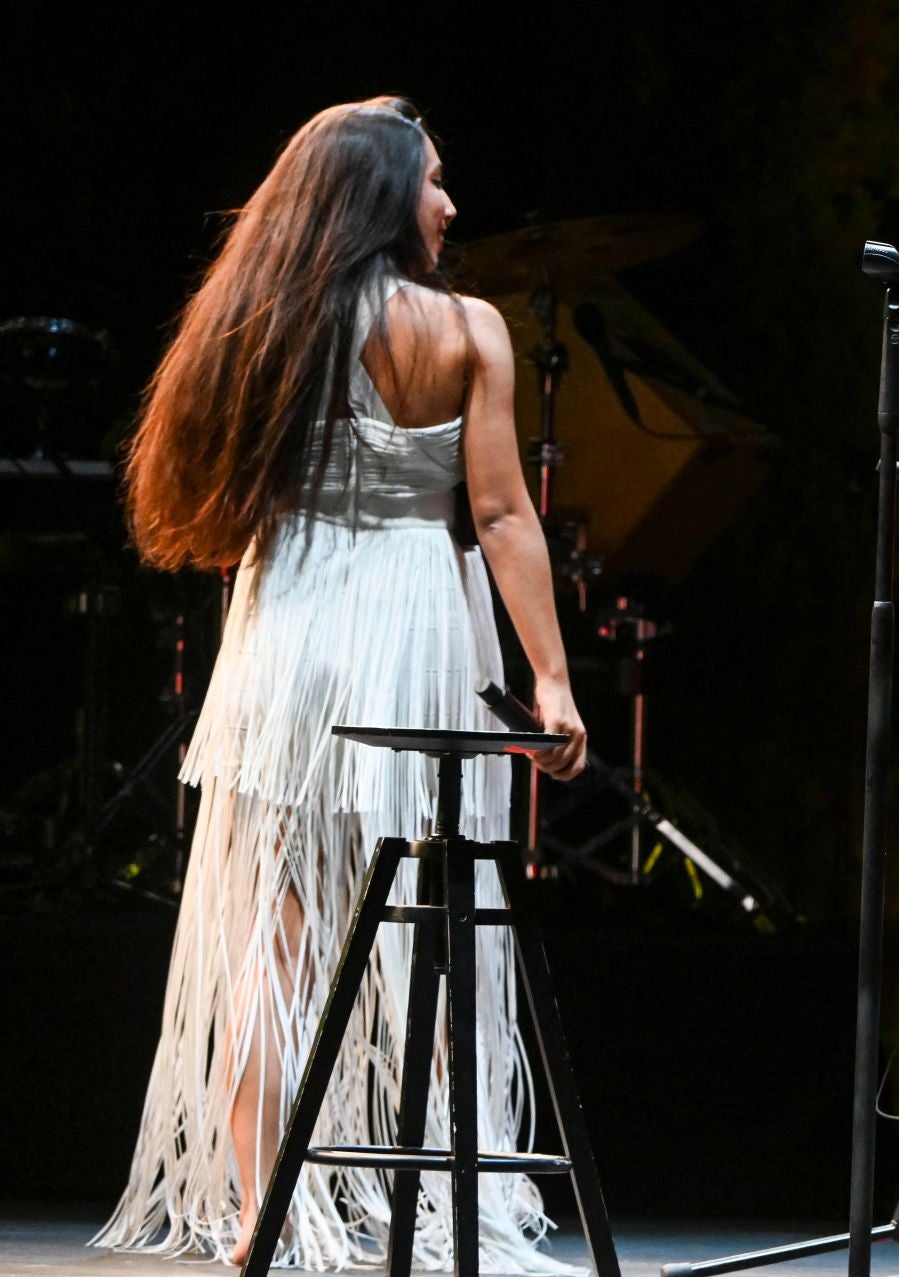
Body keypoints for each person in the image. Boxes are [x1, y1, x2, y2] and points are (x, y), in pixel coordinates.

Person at [93, 97, 588, 1272]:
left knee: (273, 935)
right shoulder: (467, 329)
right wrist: (553, 678)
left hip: (293, 623)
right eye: (433, 181)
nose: (450, 204)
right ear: (383, 195)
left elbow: (213, 491)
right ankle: (435, 1193)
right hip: (422, 626)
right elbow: (502, 512)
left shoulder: (266, 317)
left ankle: (263, 1213)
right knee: (437, 922)